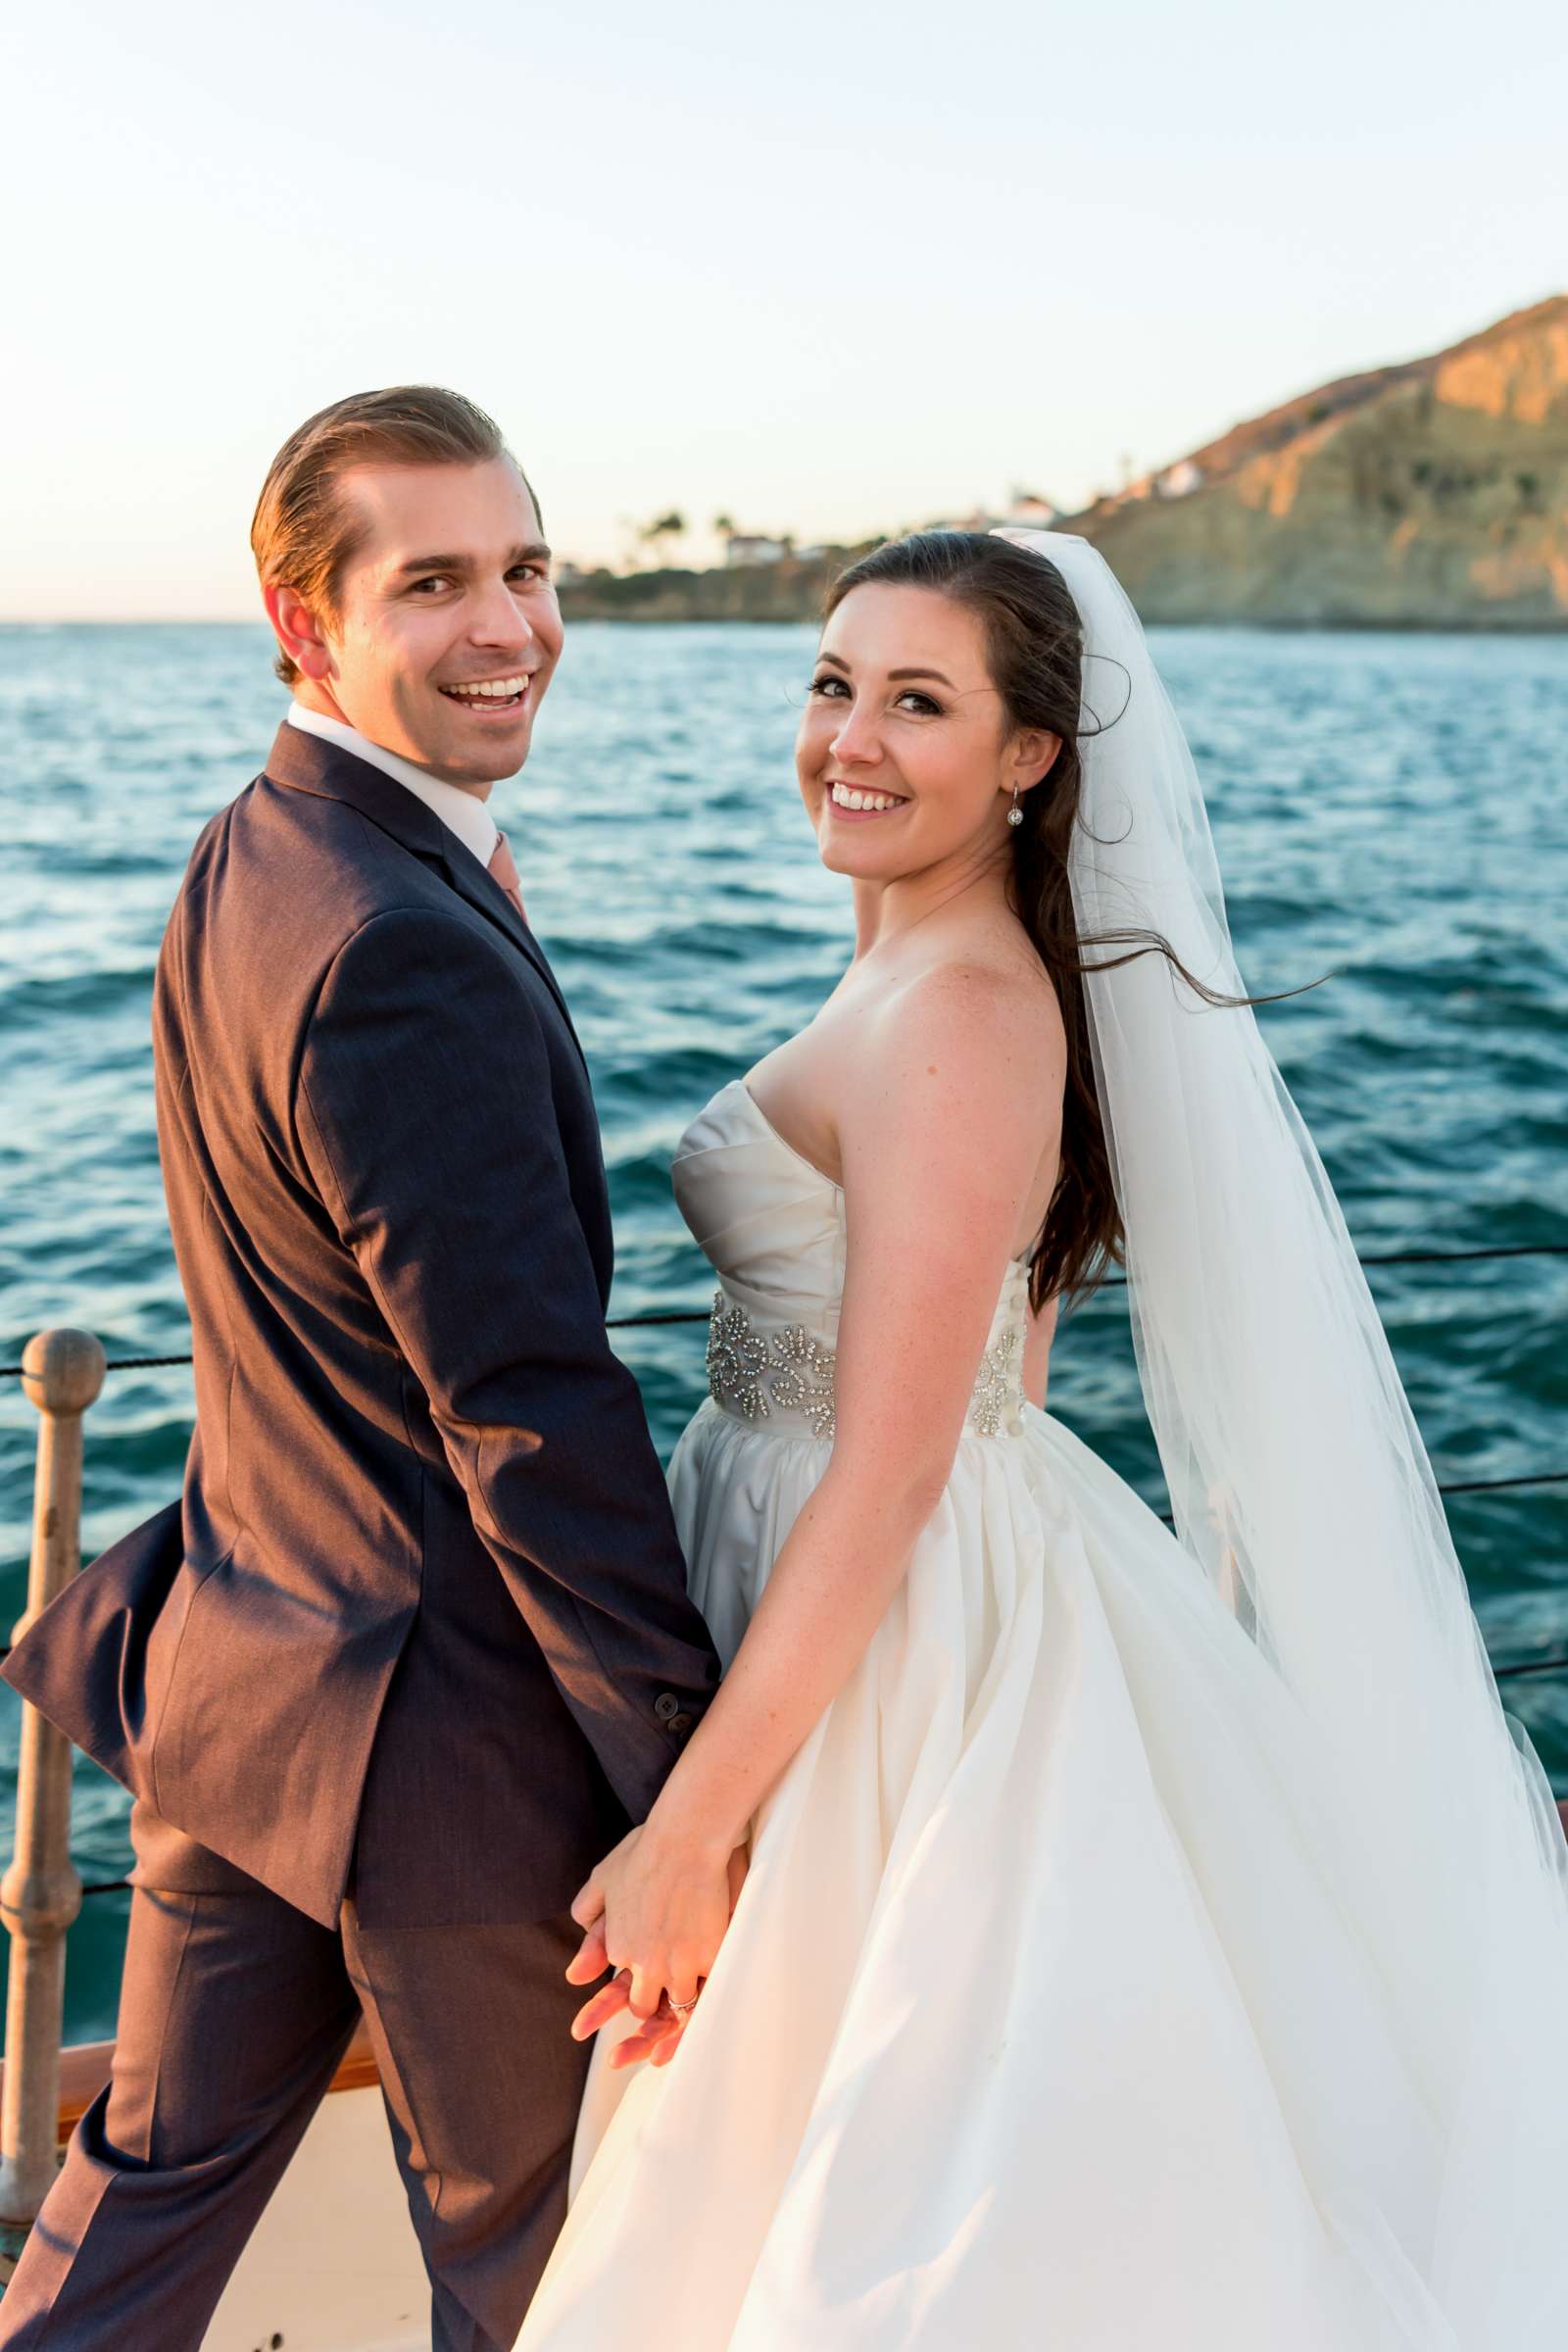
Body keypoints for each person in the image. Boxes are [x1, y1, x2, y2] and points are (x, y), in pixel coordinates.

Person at [517, 530, 1568, 2348]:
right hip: (848, 1563)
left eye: (919, 701)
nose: (849, 735)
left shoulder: (969, 1009)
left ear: (1029, 757)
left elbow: (908, 1463)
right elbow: (1007, 1338)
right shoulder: (938, 967)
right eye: (834, 683)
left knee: (876, 2177)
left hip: (894, 1628)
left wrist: (698, 1828)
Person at [0, 386, 725, 2352]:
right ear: (301, 619)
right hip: (446, 1761)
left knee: (127, 2229)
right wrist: (691, 1799)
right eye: (436, 584)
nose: (509, 627)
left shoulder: (257, 853)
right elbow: (527, 1414)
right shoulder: (394, 934)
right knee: (538, 2279)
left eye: (526, 567)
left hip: (242, 1690)